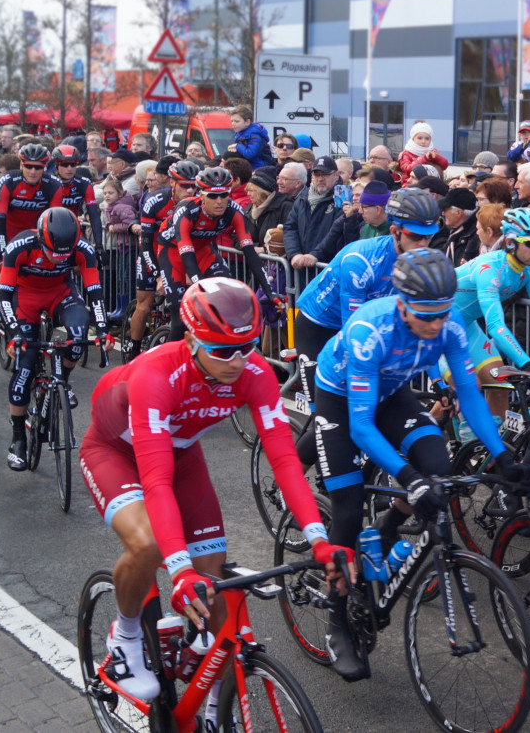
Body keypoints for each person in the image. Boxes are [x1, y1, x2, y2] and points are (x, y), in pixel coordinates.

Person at [79, 279, 350, 705]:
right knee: (150, 546)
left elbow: (283, 462)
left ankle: (208, 705)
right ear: (189, 340)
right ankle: (125, 637)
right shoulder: (157, 373)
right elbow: (156, 481)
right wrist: (179, 571)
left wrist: (319, 539)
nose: (238, 361)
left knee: (215, 585)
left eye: (249, 345)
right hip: (117, 452)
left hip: (181, 452)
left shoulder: (254, 372)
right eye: (223, 350)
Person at [309, 249, 529, 679]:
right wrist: (407, 477)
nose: (435, 326)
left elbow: (469, 392)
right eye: (424, 315)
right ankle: (337, 623)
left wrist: (502, 455)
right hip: (340, 400)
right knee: (349, 512)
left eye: (442, 314)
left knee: (439, 467)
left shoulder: (448, 329)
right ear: (401, 303)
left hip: (392, 394)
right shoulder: (370, 330)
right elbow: (361, 426)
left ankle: (388, 527)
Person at [292, 189, 440, 405]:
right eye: (415, 236)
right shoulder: (361, 260)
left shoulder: (422, 265)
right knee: (326, 411)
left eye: (428, 236)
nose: (423, 244)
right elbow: (352, 330)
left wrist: (437, 380)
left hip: (361, 324)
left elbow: (421, 328)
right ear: (394, 231)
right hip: (318, 325)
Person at [0, 207, 106, 469]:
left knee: (79, 335)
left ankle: (63, 382)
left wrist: (103, 330)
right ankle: (18, 439)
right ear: (40, 239)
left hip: (61, 293)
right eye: (53, 253)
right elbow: (3, 297)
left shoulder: (83, 248)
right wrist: (14, 336)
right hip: (25, 299)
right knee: (24, 366)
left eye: (64, 255)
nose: (59, 259)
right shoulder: (20, 246)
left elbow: (95, 292)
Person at [447, 207, 530, 421]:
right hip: (438, 326)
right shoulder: (490, 268)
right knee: (469, 385)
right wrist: (525, 363)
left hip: (465, 325)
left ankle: (494, 452)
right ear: (511, 241)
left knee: (500, 384)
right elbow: (496, 327)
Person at [156, 166, 278, 340]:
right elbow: (187, 256)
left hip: (203, 251)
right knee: (180, 319)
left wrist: (269, 291)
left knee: (225, 299)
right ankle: (166, 364)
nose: (219, 201)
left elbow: (250, 253)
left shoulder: (234, 210)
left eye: (224, 195)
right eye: (213, 196)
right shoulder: (187, 210)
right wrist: (201, 288)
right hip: (174, 252)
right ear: (202, 195)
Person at [125, 160, 199, 359]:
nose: (191, 190)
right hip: (152, 253)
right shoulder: (155, 200)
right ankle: (134, 351)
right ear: (173, 183)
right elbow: (146, 243)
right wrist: (159, 276)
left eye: (194, 185)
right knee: (145, 305)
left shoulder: (200, 201)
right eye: (185, 185)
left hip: (179, 254)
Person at [0, 143, 61, 263]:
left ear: (45, 167)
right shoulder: (8, 181)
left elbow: (53, 223)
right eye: (28, 166)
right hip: (1, 230)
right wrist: (2, 255)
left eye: (38, 167)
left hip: (31, 234)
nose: (33, 171)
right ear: (21, 166)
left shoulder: (53, 185)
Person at [284, 156, 342, 272]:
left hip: (326, 268)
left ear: (336, 175)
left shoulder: (341, 199)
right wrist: (294, 254)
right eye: (316, 175)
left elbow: (336, 233)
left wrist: (316, 255)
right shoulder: (302, 199)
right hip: (301, 268)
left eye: (325, 174)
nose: (320, 179)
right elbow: (290, 228)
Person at [314, 179, 393, 261]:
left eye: (363, 207)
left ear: (378, 210)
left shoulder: (395, 232)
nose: (359, 211)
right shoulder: (366, 227)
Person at [49, 143, 102, 248]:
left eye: (73, 164)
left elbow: (94, 215)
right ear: (56, 165)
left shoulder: (83, 183)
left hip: (73, 229)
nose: (69, 168)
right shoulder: (48, 183)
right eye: (65, 164)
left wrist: (99, 245)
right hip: (50, 229)